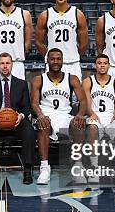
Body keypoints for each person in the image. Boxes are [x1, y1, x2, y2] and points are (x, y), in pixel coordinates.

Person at [31, 48, 87, 185]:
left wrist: (79, 115)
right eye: (52, 59)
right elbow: (34, 103)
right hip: (46, 115)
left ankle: (78, 166)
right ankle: (45, 167)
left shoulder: (72, 79)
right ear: (47, 61)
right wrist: (40, 115)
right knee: (43, 125)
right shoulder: (39, 79)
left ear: (62, 61)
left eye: (58, 59)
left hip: (65, 116)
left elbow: (84, 101)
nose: (55, 61)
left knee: (78, 125)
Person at [0, 52, 35, 184]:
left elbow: (27, 107)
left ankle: (27, 169)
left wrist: (20, 117)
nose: (5, 66)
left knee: (29, 130)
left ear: (12, 65)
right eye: (2, 63)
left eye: (7, 63)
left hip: (16, 121)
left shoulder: (21, 84)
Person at [82, 54, 115, 183]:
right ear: (95, 65)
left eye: (105, 63)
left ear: (109, 65)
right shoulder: (87, 81)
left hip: (111, 115)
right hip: (94, 114)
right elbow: (86, 103)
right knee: (91, 128)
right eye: (99, 63)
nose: (102, 65)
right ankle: (94, 167)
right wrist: (91, 113)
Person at [35, 0, 89, 81]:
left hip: (73, 63)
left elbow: (84, 43)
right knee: (52, 95)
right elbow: (38, 42)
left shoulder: (78, 14)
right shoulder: (45, 15)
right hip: (52, 65)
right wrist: (49, 56)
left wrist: (74, 55)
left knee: (74, 96)